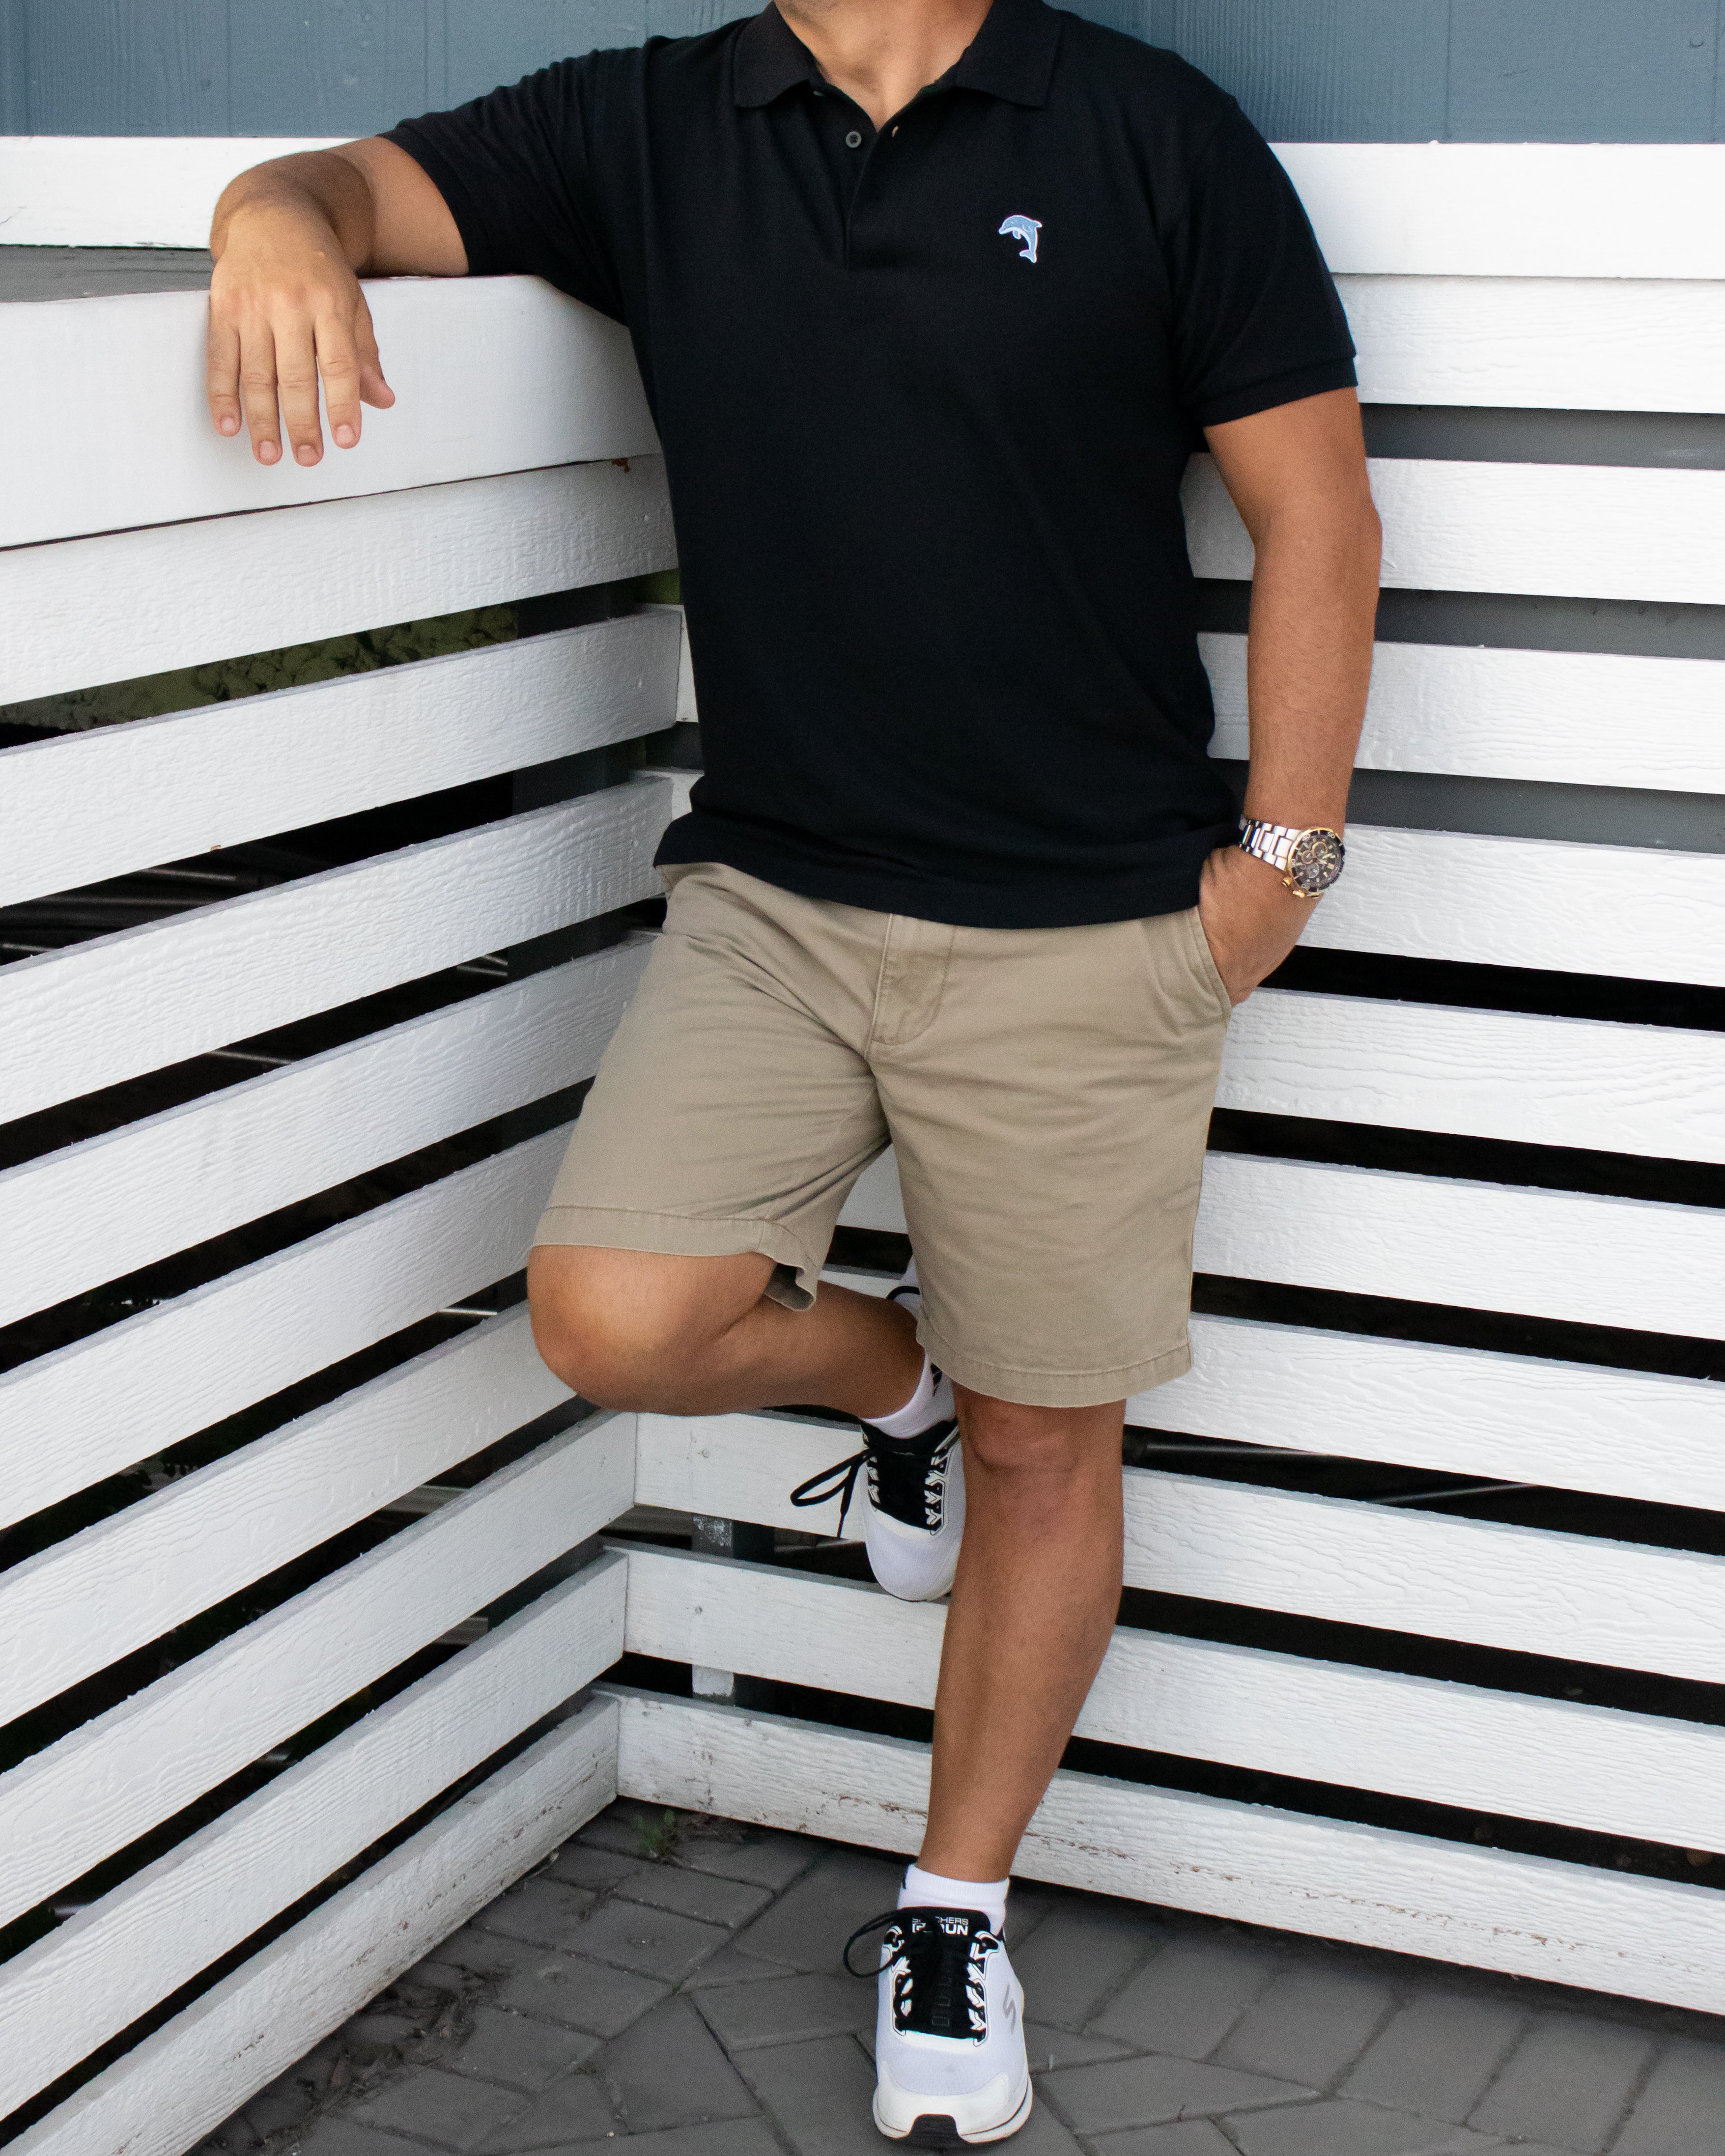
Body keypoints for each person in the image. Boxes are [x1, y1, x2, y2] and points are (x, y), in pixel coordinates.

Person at [208, 0, 1378, 2131]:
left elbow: (1313, 510)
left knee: (1051, 1445)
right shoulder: (650, 122)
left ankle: (953, 1907)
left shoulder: (1149, 132)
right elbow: (349, 190)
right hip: (775, 896)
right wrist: (263, 217)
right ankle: (890, 1387)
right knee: (615, 1318)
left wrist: (1273, 875)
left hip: (1087, 924)